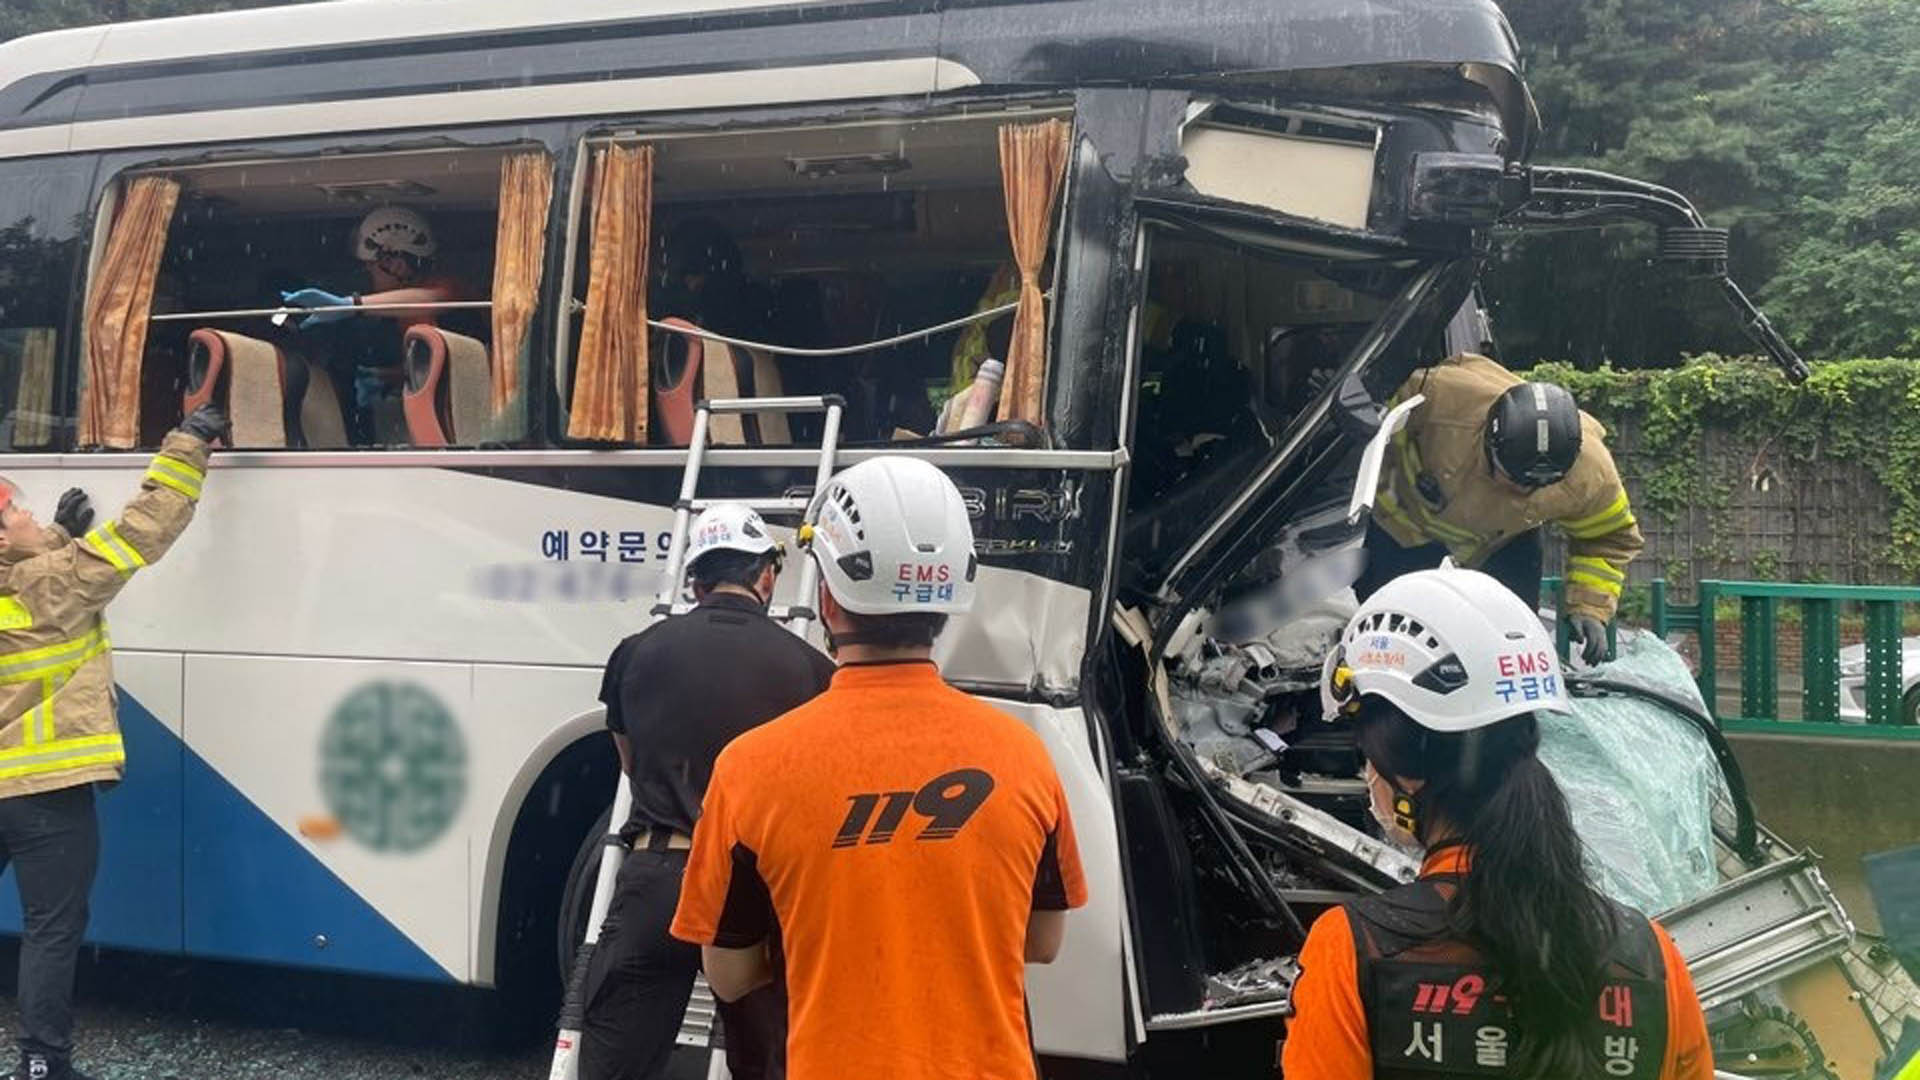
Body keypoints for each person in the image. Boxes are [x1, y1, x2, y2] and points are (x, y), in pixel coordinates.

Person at [670, 456, 1088, 1080]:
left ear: (829, 602)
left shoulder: (751, 767)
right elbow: (1042, 942)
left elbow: (728, 976)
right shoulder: (1022, 753)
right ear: (948, 601)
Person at [1282, 563, 1712, 1080]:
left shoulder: (1352, 950)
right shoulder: (1651, 957)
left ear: (1407, 778)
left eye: (1367, 757)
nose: (1367, 774)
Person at [0, 404, 225, 1080]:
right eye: (16, 512)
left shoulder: (38, 576)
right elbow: (143, 531)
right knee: (52, 927)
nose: (31, 515)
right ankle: (43, 1060)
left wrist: (56, 537)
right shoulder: (55, 583)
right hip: (44, 794)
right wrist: (188, 443)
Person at [580, 503, 833, 1080]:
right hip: (758, 887)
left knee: (615, 1063)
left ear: (694, 580)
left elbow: (630, 761)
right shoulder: (812, 670)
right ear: (766, 577)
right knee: (769, 1061)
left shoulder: (634, 652)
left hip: (660, 879)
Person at [1355, 353, 1643, 665]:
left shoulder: (1591, 474)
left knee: (1513, 642)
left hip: (1501, 543)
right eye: (1512, 477)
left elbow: (1609, 539)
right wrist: (1354, 409)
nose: (1521, 491)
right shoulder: (1439, 399)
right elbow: (1373, 415)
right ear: (1490, 441)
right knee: (1382, 635)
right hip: (1400, 526)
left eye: (1538, 485)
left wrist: (1590, 607)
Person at [278, 206, 465, 443]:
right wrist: (386, 377)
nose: (367, 270)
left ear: (396, 264)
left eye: (372, 264)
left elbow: (430, 302)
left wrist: (351, 305)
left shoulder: (445, 288)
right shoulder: (379, 317)